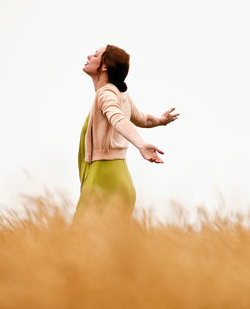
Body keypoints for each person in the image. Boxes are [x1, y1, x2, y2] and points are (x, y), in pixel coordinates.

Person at [72, 44, 179, 224]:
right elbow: (143, 119)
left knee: (78, 245)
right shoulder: (121, 96)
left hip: (103, 179)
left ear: (104, 66)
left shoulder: (105, 94)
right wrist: (161, 121)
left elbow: (118, 119)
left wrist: (141, 145)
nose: (89, 56)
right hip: (121, 182)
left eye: (95, 55)